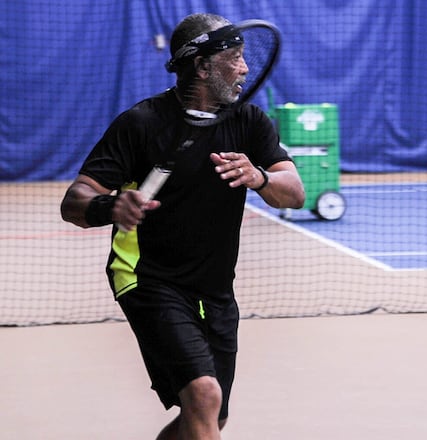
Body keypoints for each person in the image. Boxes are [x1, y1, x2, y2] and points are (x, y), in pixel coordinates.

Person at [60, 13, 304, 439]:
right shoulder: (141, 123)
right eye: (234, 57)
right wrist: (112, 205)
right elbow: (75, 202)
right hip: (148, 277)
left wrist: (260, 177)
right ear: (202, 66)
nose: (245, 68)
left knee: (210, 416)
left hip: (214, 288)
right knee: (204, 396)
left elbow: (295, 191)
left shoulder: (249, 122)